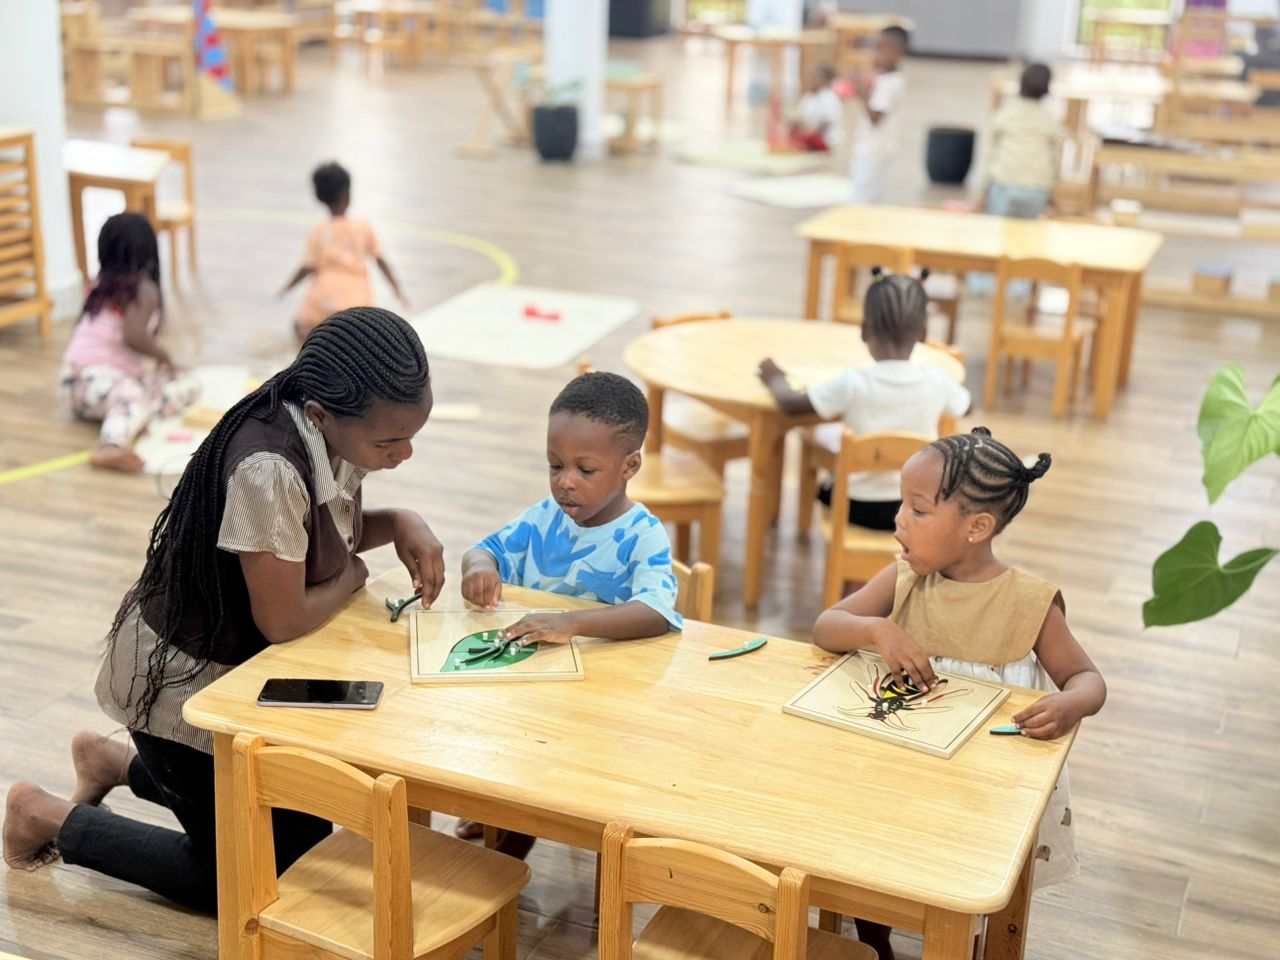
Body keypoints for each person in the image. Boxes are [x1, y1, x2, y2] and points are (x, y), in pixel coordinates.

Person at [3, 308, 446, 914]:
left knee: (305, 833)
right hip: (179, 689)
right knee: (255, 875)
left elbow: (313, 543)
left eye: (412, 436)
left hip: (227, 673)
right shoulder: (268, 468)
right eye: (389, 443)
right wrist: (357, 573)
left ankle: (111, 762)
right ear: (322, 416)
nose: (406, 454)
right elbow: (284, 618)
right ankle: (41, 813)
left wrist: (399, 521)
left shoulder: (325, 424)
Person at [811, 427, 1107, 960]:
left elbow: (1089, 680)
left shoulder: (1030, 603)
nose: (899, 519)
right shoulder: (903, 578)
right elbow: (826, 627)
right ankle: (875, 943)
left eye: (918, 510)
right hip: (899, 772)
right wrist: (877, 630)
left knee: (963, 884)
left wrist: (1071, 703)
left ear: (977, 527)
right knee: (874, 862)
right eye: (904, 504)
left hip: (980, 789)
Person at [455, 371, 682, 855]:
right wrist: (480, 568)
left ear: (629, 465)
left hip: (604, 708)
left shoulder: (643, 535)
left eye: (585, 469)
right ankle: (499, 813)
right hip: (534, 691)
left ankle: (512, 837)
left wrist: (573, 623)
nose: (565, 483)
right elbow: (487, 548)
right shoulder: (545, 518)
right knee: (492, 731)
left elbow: (656, 611)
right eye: (555, 465)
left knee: (547, 764)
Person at [758, 270, 970, 531]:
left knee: (826, 483)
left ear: (864, 330)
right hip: (916, 510)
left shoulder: (854, 382)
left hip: (856, 507)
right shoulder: (938, 381)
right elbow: (966, 405)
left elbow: (791, 405)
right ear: (923, 331)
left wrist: (774, 376)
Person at [60, 213, 199, 473]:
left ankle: (128, 416)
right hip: (98, 380)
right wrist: (164, 356)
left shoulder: (100, 284)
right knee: (145, 392)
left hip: (77, 384)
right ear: (149, 250)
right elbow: (133, 335)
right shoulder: (144, 289)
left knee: (174, 387)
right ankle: (111, 444)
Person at [278, 162, 408, 340]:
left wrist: (287, 287)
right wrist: (396, 287)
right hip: (357, 303)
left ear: (318, 196)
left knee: (302, 330)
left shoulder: (318, 231)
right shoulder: (363, 228)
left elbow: (307, 267)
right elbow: (380, 261)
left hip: (322, 300)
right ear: (348, 193)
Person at [982, 63, 1064, 220]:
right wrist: (1052, 189)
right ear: (1048, 88)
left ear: (1020, 85)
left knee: (996, 232)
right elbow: (1056, 158)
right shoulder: (1051, 121)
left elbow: (990, 154)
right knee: (1027, 236)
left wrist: (983, 191)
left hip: (1004, 183)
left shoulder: (1004, 116)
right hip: (1037, 187)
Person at [849, 25, 909, 204]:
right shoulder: (888, 79)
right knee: (877, 194)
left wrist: (862, 93)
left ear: (900, 52)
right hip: (881, 148)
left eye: (883, 49)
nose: (877, 54)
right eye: (876, 48)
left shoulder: (889, 84)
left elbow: (875, 117)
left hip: (873, 149)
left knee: (863, 196)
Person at [787, 64, 844, 152]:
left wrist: (809, 130)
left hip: (823, 139)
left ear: (824, 80)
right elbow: (801, 118)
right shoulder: (808, 97)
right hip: (808, 134)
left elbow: (827, 121)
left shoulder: (830, 97)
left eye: (814, 77)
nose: (810, 80)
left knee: (810, 137)